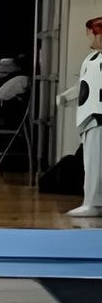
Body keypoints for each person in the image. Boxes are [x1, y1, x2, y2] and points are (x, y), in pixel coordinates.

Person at [56, 15, 102, 217]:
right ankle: (92, 200)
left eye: (91, 33)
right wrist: (67, 96)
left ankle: (94, 201)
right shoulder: (91, 60)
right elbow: (83, 85)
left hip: (98, 115)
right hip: (89, 117)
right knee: (91, 161)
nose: (89, 37)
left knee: (96, 161)